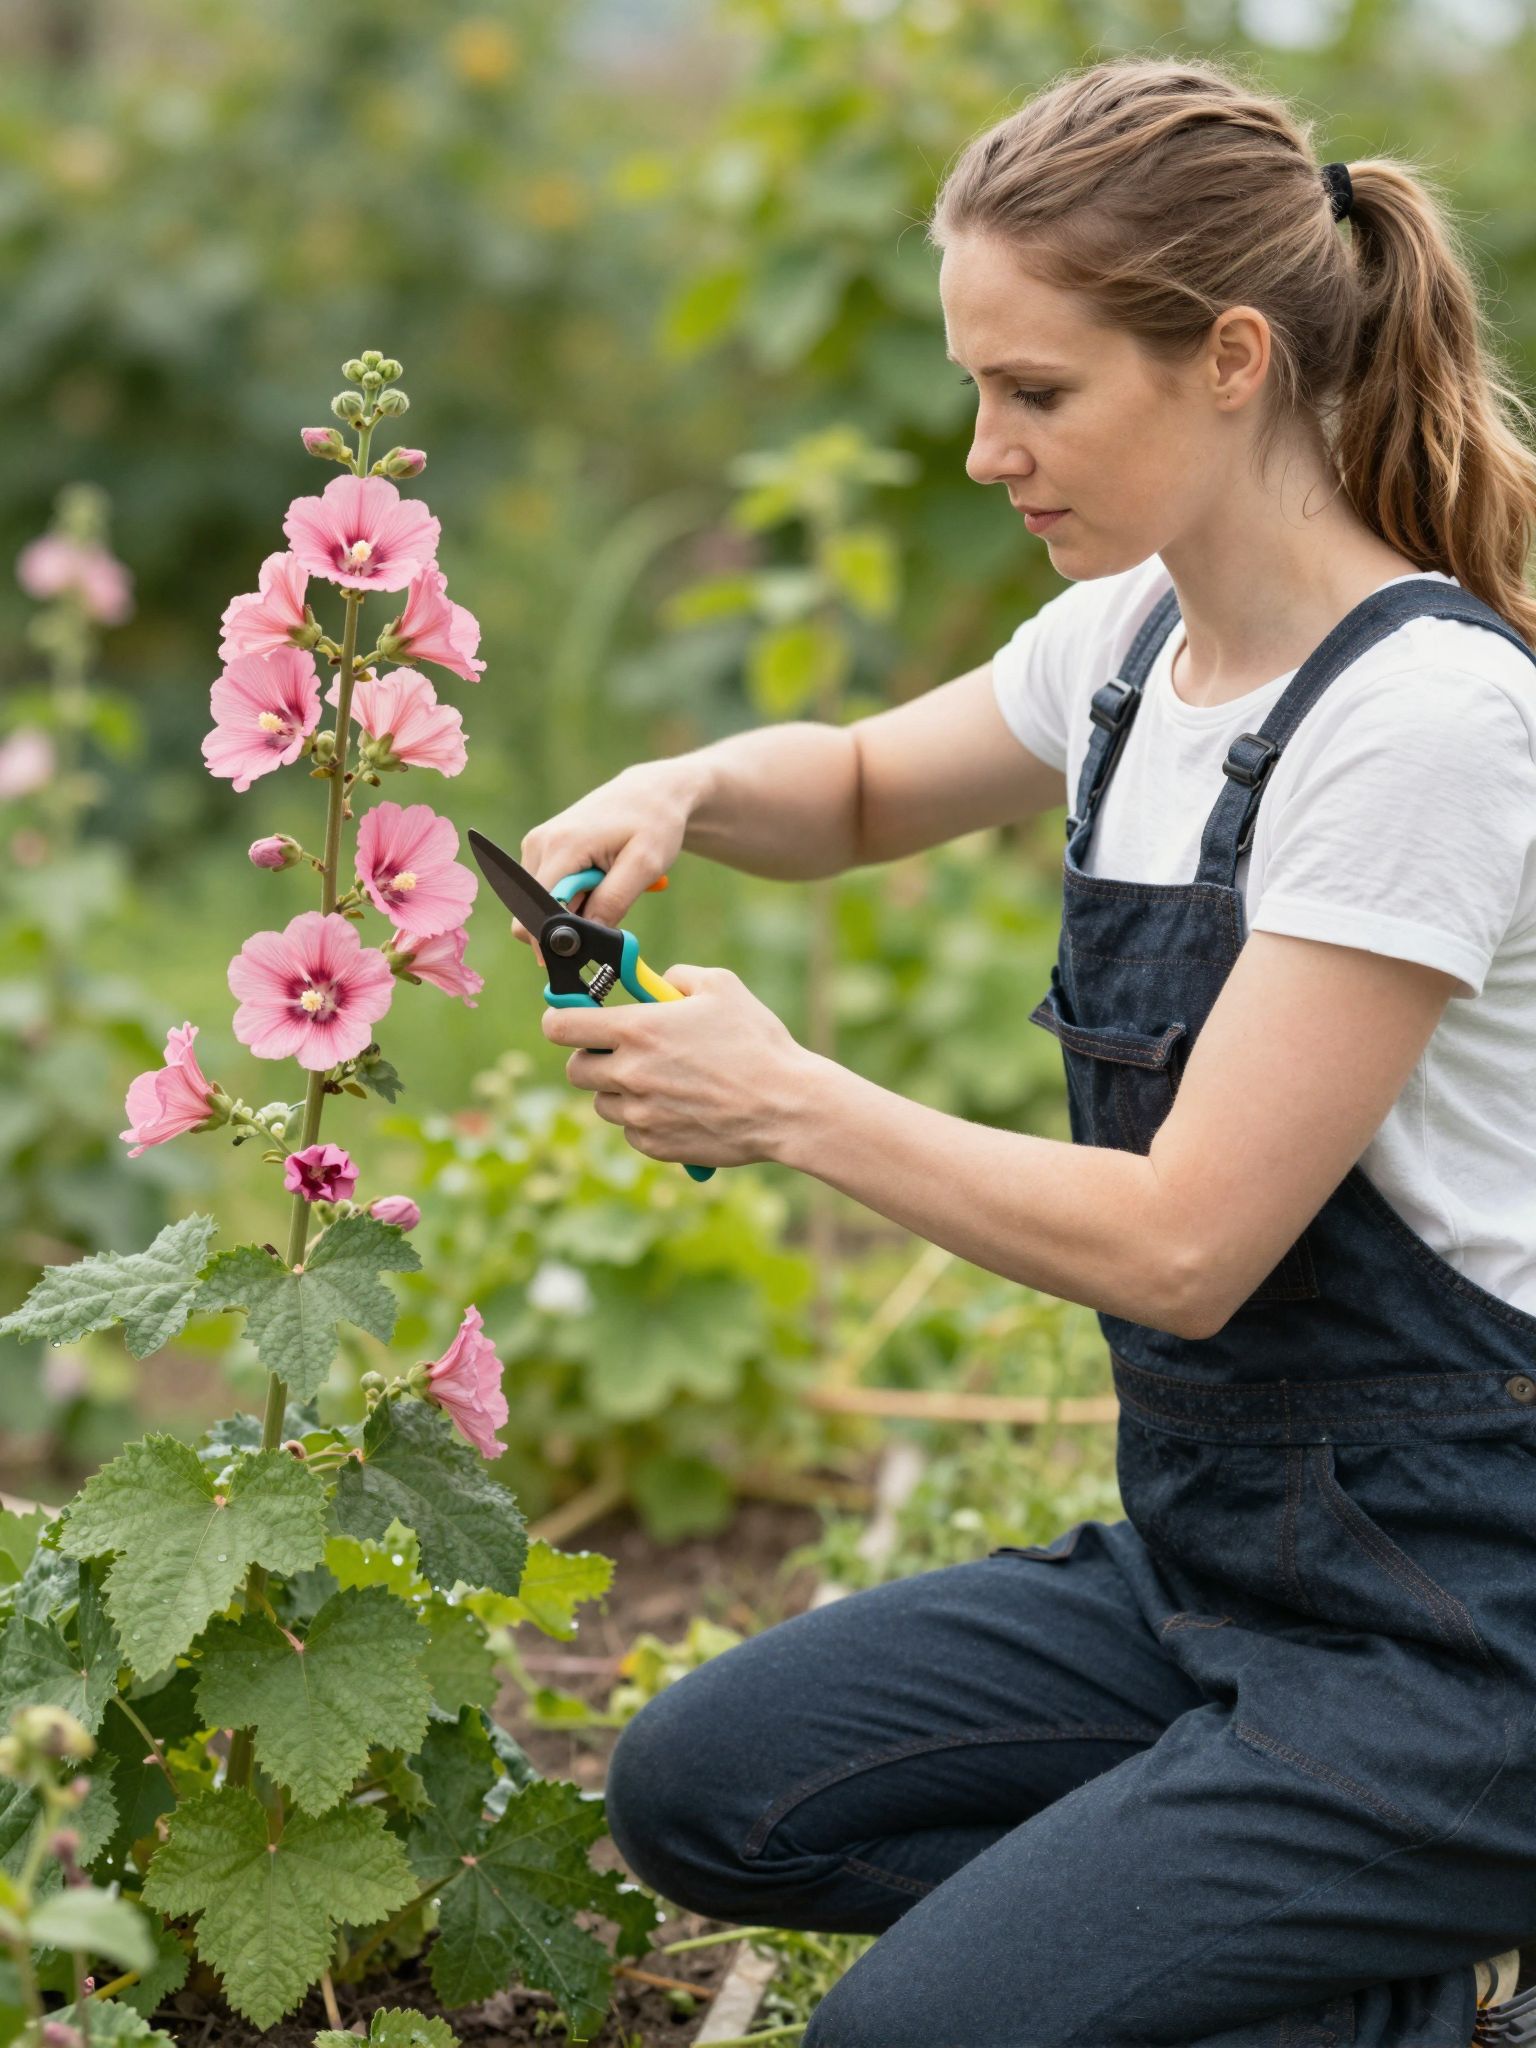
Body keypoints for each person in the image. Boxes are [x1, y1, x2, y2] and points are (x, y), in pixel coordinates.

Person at [519, 52, 1536, 2048]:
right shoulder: (1141, 645)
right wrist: (687, 784)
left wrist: (791, 1102)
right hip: (1224, 1578)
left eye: (1038, 391)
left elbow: (1187, 1245)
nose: (987, 447)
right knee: (713, 1792)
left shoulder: (1419, 722)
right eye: (979, 384)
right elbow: (862, 785)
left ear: (1233, 357)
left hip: (1469, 1631)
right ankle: (1360, 1972)